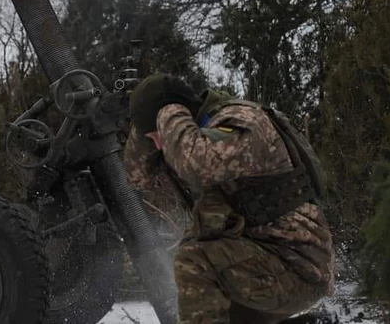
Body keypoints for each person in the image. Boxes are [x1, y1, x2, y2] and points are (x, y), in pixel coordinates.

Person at [123, 73, 335, 324]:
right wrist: (142, 122)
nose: (158, 145)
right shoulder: (199, 133)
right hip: (262, 265)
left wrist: (168, 112)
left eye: (156, 135)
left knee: (196, 260)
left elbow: (197, 163)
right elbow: (137, 177)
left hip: (298, 268)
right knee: (214, 305)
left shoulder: (243, 122)